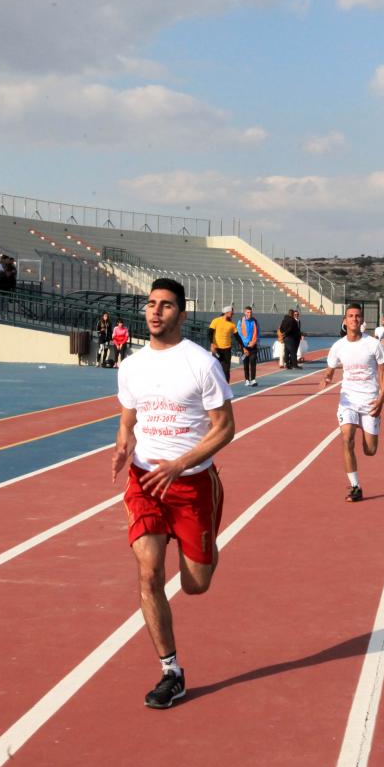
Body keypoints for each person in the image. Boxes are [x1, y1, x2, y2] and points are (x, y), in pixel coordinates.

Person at [112, 277, 235, 709]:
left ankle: (202, 545)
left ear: (181, 314)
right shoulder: (131, 365)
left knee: (195, 584)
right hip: (145, 482)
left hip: (192, 484)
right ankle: (171, 671)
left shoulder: (202, 364)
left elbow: (226, 428)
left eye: (165, 305)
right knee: (148, 574)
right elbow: (129, 417)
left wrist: (182, 463)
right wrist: (123, 441)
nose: (155, 311)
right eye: (150, 304)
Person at [322, 303, 384, 502]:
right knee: (346, 439)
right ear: (345, 321)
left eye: (357, 316)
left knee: (370, 450)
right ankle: (355, 486)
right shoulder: (338, 346)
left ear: (362, 320)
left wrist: (381, 400)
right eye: (350, 316)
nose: (354, 319)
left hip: (370, 401)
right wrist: (327, 377)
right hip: (348, 400)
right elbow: (330, 369)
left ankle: (368, 427)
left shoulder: (373, 344)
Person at [208, 304, 237, 383]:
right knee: (215, 369)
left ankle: (226, 387)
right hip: (217, 349)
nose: (232, 315)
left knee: (226, 370)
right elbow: (209, 333)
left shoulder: (232, 324)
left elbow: (237, 337)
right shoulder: (216, 321)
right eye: (231, 313)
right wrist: (212, 344)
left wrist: (243, 347)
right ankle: (216, 387)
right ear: (226, 312)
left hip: (227, 349)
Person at [237, 305, 260, 386]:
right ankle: (247, 379)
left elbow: (258, 332)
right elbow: (239, 334)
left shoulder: (255, 321)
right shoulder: (240, 321)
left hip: (253, 345)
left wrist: (255, 341)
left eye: (250, 312)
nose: (249, 314)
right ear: (245, 313)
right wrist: (247, 343)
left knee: (253, 362)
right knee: (246, 363)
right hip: (244, 346)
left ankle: (253, 379)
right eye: (248, 312)